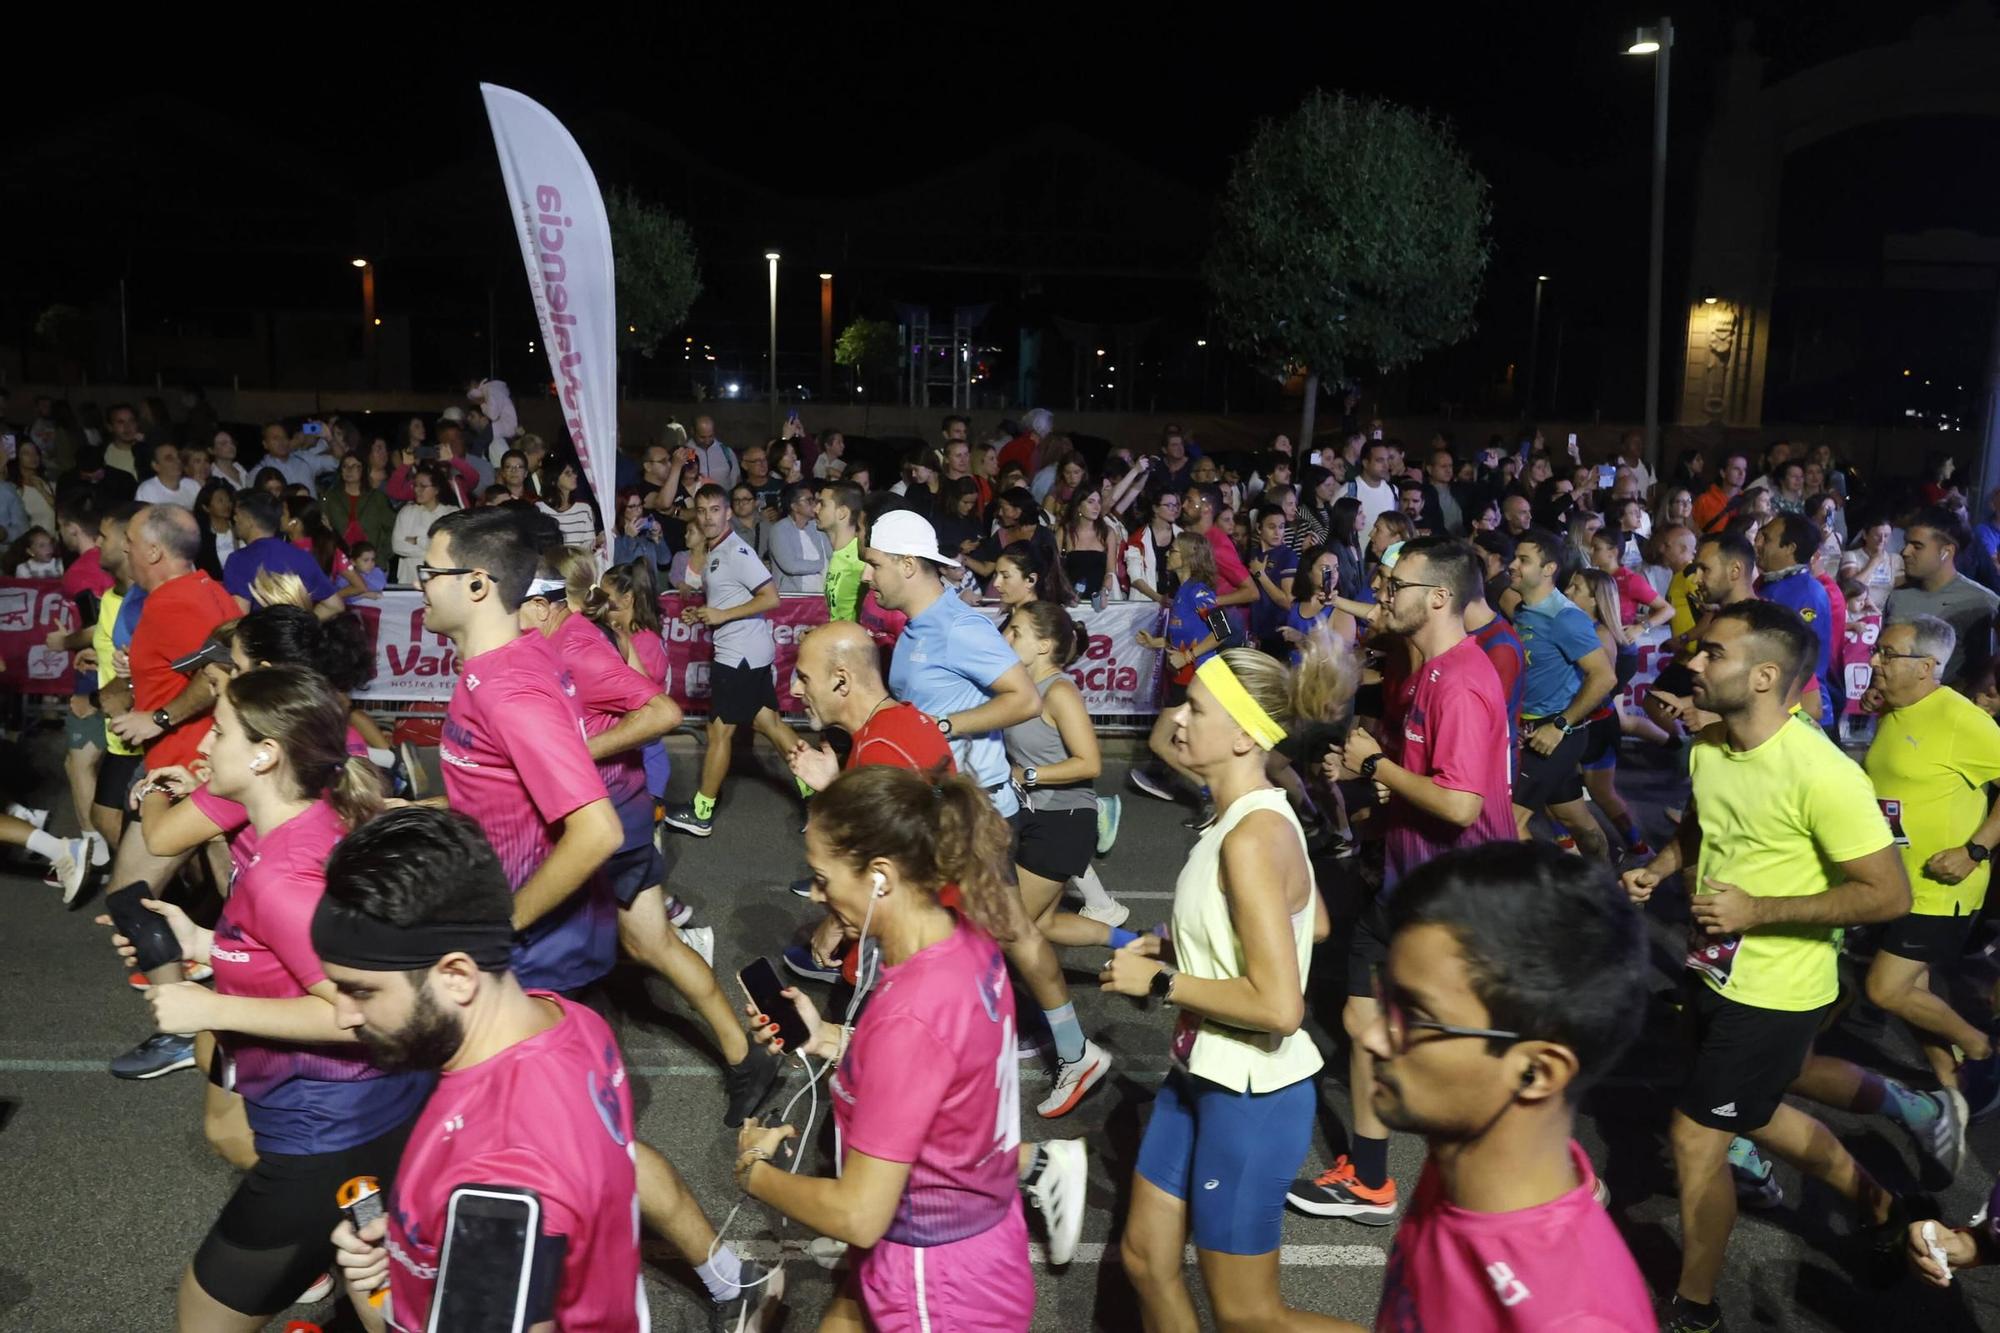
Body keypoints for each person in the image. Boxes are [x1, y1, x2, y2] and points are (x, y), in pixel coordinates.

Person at [100, 663, 426, 1331]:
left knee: (203, 1312)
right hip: (367, 1121)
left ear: (265, 752)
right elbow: (288, 951)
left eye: (217, 732)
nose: (202, 747)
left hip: (323, 1135)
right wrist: (201, 942)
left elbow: (361, 1014)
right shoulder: (309, 824)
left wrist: (210, 1007)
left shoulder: (282, 873)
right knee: (382, 1304)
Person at [1623, 600, 1913, 1332]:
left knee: (1696, 1135)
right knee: (1756, 1112)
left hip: (1778, 991)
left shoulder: (1824, 774)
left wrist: (1758, 910)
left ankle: (1695, 1306)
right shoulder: (1712, 745)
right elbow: (1702, 821)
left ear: (1763, 676)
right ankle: (1884, 1206)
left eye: (1711, 653)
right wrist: (1660, 867)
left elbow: (1888, 893)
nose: (1692, 661)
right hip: (1713, 969)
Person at [314, 809, 674, 1333]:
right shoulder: (568, 1021)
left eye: (361, 990)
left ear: (457, 975)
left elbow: (510, 1197)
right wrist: (426, 1244)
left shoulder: (498, 1179)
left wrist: (372, 1304)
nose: (343, 1016)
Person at [1100, 640, 1349, 1333]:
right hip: (1199, 1070)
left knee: (1248, 1314)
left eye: (1196, 708)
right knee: (1147, 1258)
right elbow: (1315, 923)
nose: (1177, 719)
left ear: (1244, 735)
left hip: (1253, 1093)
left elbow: (1280, 1006)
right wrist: (1189, 941)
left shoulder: (1252, 833)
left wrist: (1167, 976)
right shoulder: (1247, 816)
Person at [737, 765, 1035, 1331]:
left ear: (880, 877)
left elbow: (858, 1214)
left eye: (822, 879)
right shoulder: (961, 943)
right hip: (969, 1245)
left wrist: (756, 1173)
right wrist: (823, 1036)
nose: (818, 895)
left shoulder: (912, 1012)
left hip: (935, 1285)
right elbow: (939, 1070)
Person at [1326, 842, 1656, 1332]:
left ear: (1537, 1072)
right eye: (1386, 998)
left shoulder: (1568, 1319)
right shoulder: (1461, 1161)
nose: (1373, 1035)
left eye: (1414, 1017)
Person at [1293, 539, 1515, 1225]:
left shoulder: (1466, 682)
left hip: (1459, 896)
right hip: (1406, 884)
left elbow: (1460, 804)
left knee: (1474, 1050)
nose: (1382, 594)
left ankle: (1551, 1174)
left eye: (1395, 585)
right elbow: (1420, 786)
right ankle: (1369, 1176)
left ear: (1439, 597)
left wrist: (1377, 768)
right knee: (1363, 1021)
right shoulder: (1425, 674)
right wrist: (1370, 777)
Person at [864, 511, 1116, 1114]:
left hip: (977, 816)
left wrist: (944, 726)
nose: (867, 574)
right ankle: (960, 1043)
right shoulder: (915, 628)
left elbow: (1023, 697)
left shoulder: (956, 625)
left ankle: (1068, 1050)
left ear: (906, 563)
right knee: (972, 934)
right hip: (940, 809)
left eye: (874, 562)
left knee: (1009, 934)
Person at [520, 549, 780, 1126]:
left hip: (605, 822)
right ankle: (746, 1059)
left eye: (518, 600)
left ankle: (568, 1108)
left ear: (543, 601)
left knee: (546, 954)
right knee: (648, 945)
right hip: (613, 815)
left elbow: (661, 712)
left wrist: (575, 754)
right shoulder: (562, 640)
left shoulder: (578, 647)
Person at [1859, 616, 2000, 1114]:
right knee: (1911, 990)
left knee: (1884, 988)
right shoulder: (1897, 708)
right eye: (1877, 651)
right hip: (1896, 881)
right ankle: (1953, 1084)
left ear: (1926, 667)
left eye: (1887, 655)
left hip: (1943, 887)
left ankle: (1983, 1049)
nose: (1874, 661)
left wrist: (1975, 850)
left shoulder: (1961, 720)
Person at [661, 485, 806, 838]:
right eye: (702, 510)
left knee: (719, 732)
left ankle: (701, 812)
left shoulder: (737, 551)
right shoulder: (717, 550)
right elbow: (729, 597)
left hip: (738, 655)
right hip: (747, 652)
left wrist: (721, 614)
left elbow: (771, 598)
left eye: (715, 510)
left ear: (728, 513)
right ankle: (818, 791)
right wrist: (708, 613)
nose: (708, 517)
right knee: (770, 725)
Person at [1507, 528, 1615, 859]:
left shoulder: (1565, 617)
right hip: (1531, 732)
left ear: (1549, 568)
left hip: (1554, 735)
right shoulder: (1525, 610)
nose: (1513, 565)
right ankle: (1603, 879)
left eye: (1523, 560)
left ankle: (1547, 899)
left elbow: (1604, 676)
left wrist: (1559, 725)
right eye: (1515, 557)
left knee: (1507, 826)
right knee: (1576, 820)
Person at [1565, 567, 1653, 859]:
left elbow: (1599, 687)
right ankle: (1568, 848)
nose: (1567, 592)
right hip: (1576, 724)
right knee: (1555, 789)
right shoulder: (1574, 627)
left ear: (1594, 600)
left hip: (1594, 725)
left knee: (1602, 793)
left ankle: (1639, 849)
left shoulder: (1601, 636)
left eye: (1576, 588)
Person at [1131, 533, 1222, 808]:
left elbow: (1223, 631)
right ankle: (1211, 795)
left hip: (1197, 678)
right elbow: (1186, 636)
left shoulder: (1199, 592)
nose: (1168, 554)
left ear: (1189, 558)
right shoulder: (1182, 592)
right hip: (1185, 678)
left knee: (1159, 741)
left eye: (1173, 551)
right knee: (1184, 742)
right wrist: (1157, 643)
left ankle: (1208, 789)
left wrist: (1189, 656)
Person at [1888, 507, 2000, 686]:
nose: (1905, 552)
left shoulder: (1982, 603)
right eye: (1906, 543)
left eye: (1917, 546)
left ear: (1946, 551)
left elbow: (1986, 672)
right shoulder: (1898, 596)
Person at [1754, 511, 1834, 726]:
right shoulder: (1765, 584)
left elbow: (1801, 659)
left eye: (1767, 539)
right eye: (1760, 536)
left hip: (1802, 713)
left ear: (1790, 548)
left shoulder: (1807, 594)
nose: (1758, 544)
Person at [224, 491, 344, 620]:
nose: (234, 519)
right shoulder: (301, 556)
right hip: (294, 638)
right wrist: (301, 627)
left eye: (236, 514)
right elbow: (335, 605)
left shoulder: (240, 560)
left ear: (249, 520)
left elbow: (238, 617)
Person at [321, 454, 394, 558]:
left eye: (355, 466)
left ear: (363, 470)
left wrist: (382, 555)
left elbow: (391, 527)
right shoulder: (331, 497)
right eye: (345, 466)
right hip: (339, 560)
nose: (349, 470)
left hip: (372, 561)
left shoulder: (377, 498)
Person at [766, 481, 830, 595]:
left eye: (814, 500)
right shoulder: (779, 530)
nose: (814, 504)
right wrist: (821, 564)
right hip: (792, 599)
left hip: (821, 596)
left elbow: (830, 556)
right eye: (809, 500)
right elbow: (791, 566)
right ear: (794, 506)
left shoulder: (817, 527)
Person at [819, 479, 867, 622]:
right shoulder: (839, 554)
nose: (815, 510)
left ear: (842, 513)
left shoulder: (861, 558)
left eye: (822, 504)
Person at [535, 454, 600, 549]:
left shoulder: (584, 509)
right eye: (567, 473)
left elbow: (588, 547)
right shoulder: (540, 509)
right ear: (554, 479)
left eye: (574, 472)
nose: (574, 476)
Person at [1343, 438, 1399, 531]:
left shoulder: (1393, 490)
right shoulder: (1349, 490)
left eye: (1387, 460)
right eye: (1380, 460)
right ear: (1365, 463)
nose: (1386, 465)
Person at [1691, 451, 1749, 534]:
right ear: (1723, 473)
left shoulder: (1748, 500)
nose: (1742, 473)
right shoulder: (1704, 501)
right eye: (1736, 469)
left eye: (1744, 469)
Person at [133, 442, 203, 509]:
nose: (177, 461)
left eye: (178, 457)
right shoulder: (147, 490)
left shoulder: (193, 485)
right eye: (169, 458)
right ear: (156, 466)